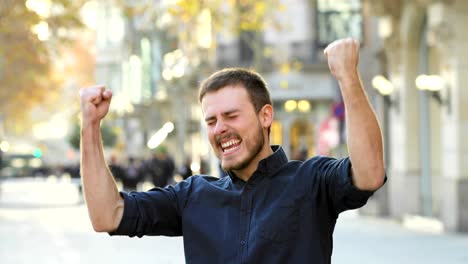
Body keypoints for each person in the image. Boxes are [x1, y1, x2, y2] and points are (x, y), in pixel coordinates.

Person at [79, 38, 385, 263]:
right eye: (211, 120)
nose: (219, 128)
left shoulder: (312, 180)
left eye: (231, 115)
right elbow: (108, 215)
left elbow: (370, 173)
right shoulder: (192, 196)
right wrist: (90, 126)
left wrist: (348, 77)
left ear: (265, 116)